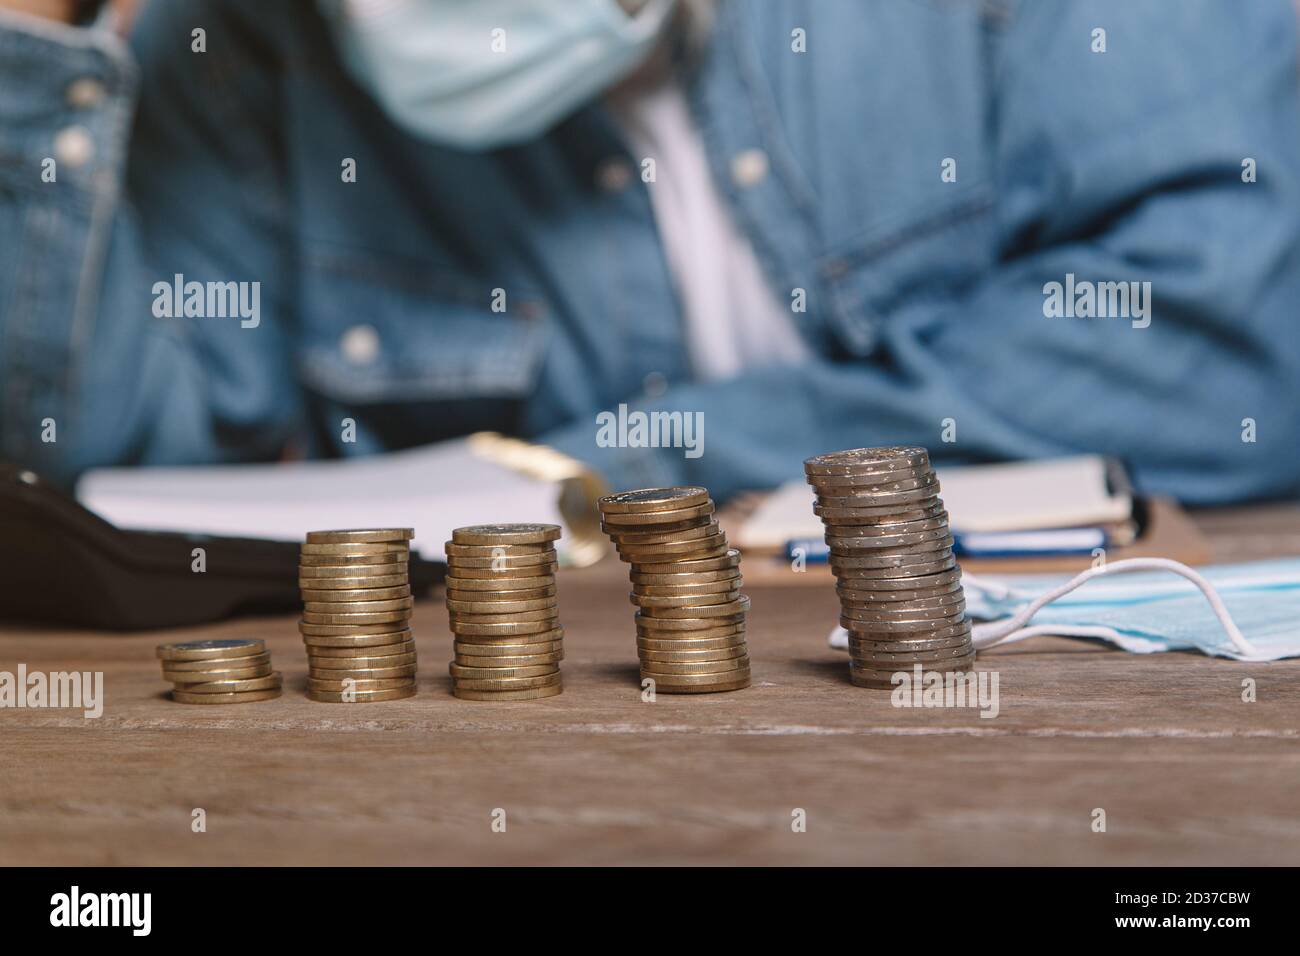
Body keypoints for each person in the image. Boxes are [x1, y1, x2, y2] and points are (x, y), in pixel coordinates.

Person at [1, 0, 1298, 504]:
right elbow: (110, 489)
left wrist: (642, 459)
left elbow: (1234, 351)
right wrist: (31, 40)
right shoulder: (243, 47)